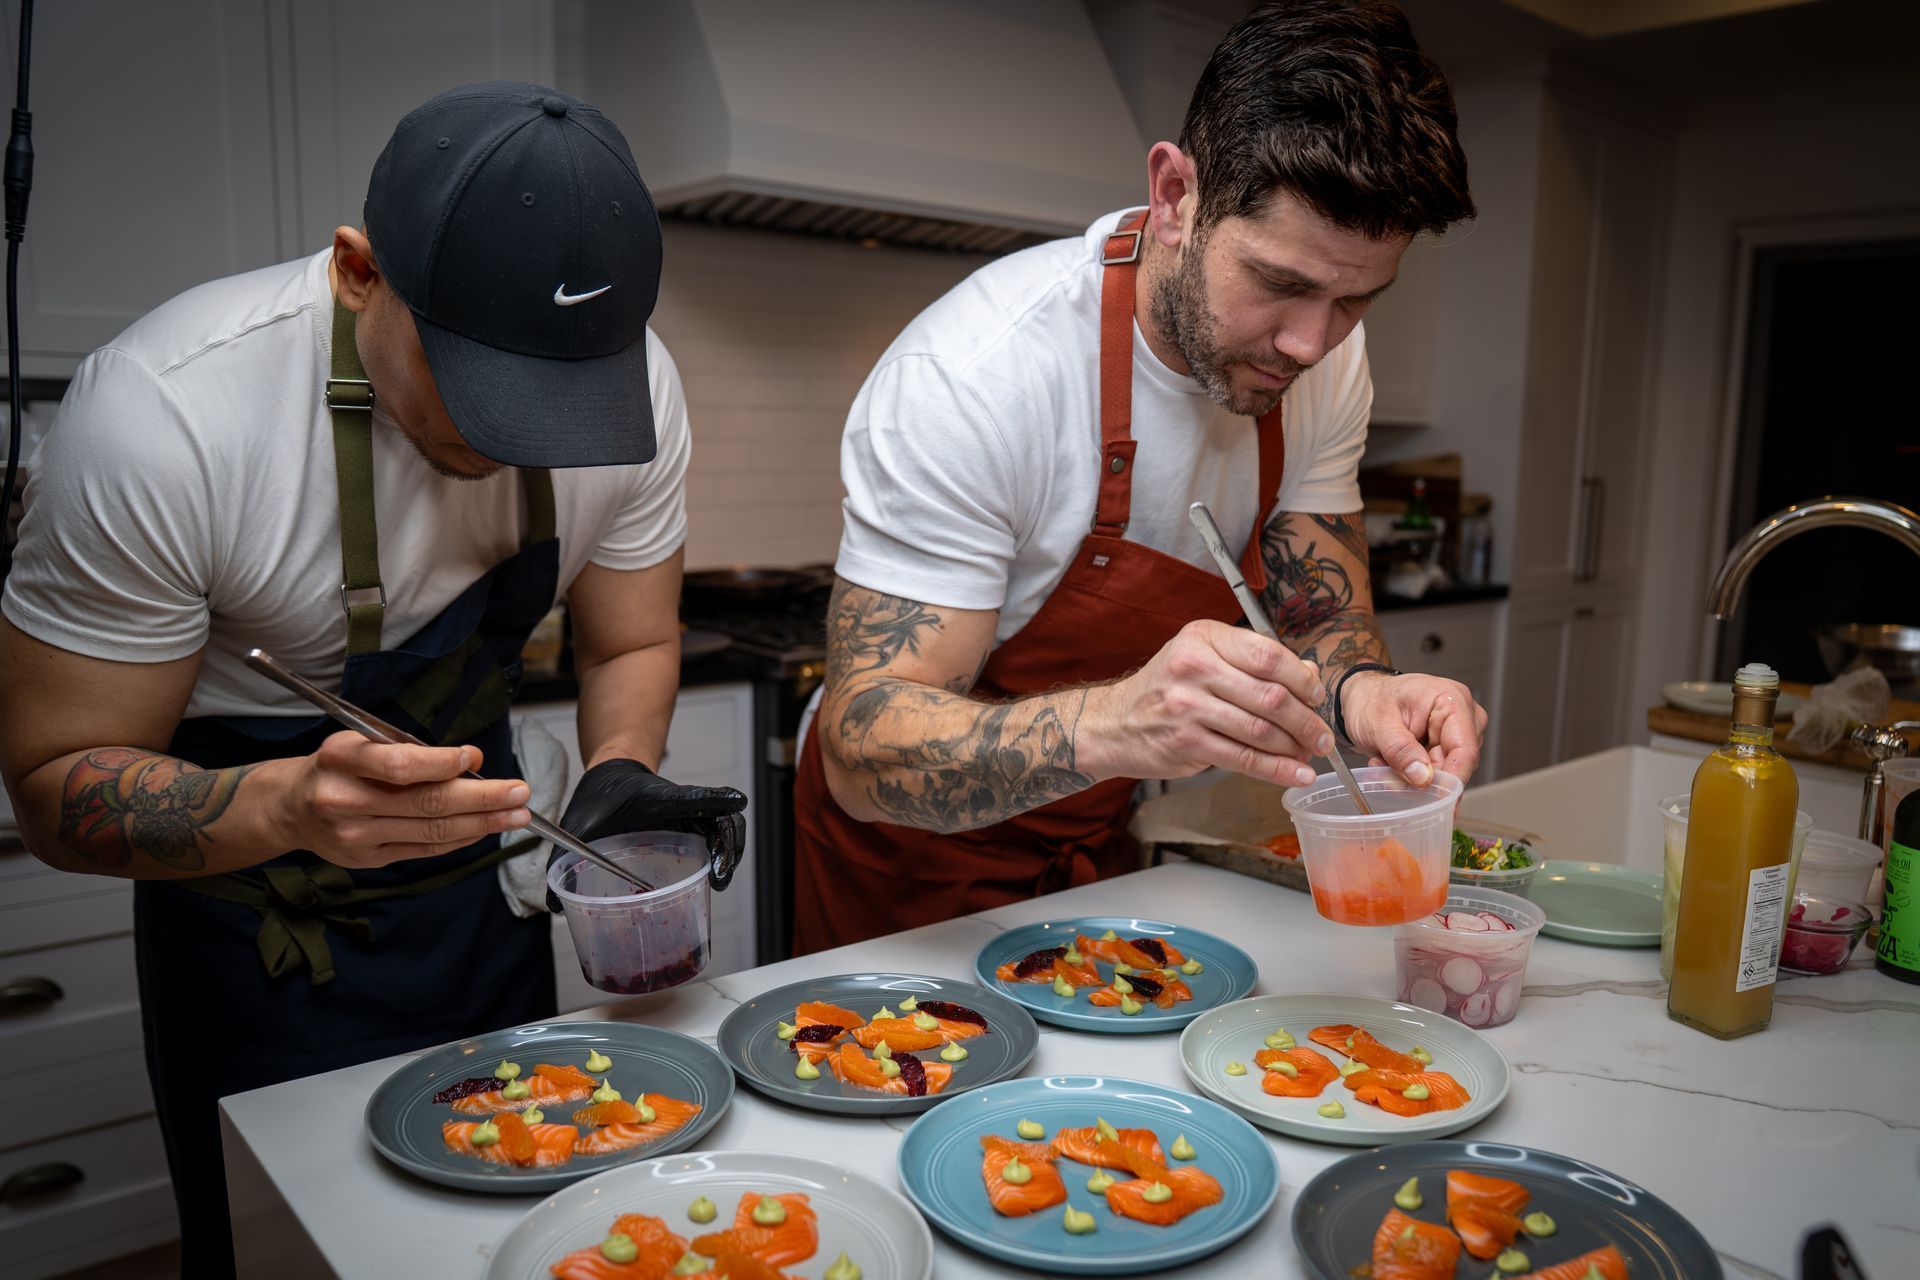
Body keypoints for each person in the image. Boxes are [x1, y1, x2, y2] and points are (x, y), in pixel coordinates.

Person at [0, 82, 744, 1276]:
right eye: (482, 385)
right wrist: (284, 806)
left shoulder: (639, 383)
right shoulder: (166, 413)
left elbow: (630, 642)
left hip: (483, 912)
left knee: (514, 1231)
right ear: (360, 272)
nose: (518, 441)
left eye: (559, 402)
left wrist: (617, 776)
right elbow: (51, 787)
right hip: (256, 940)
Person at [793, 0, 1486, 953]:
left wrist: (1364, 692)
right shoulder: (976, 379)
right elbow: (860, 748)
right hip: (905, 874)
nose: (1310, 342)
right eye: (1280, 283)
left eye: (1357, 300)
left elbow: (1320, 614)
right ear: (1174, 196)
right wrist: (1121, 723)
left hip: (1091, 843)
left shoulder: (1323, 362)